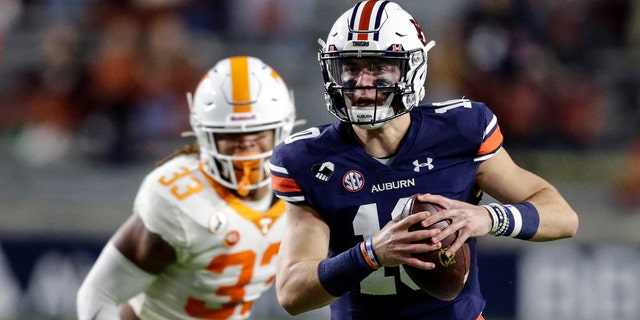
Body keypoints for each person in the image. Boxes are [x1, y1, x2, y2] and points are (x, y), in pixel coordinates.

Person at [269, 1, 579, 319]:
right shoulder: (309, 159)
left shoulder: (460, 130)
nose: (362, 82)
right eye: (350, 67)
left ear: (412, 67)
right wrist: (372, 254)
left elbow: (564, 217)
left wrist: (489, 217)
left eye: (378, 67)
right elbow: (292, 293)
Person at [77, 56, 296, 319]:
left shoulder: (300, 188)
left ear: (281, 130)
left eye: (259, 134)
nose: (245, 146)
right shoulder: (181, 200)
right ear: (205, 135)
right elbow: (100, 294)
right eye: (229, 134)